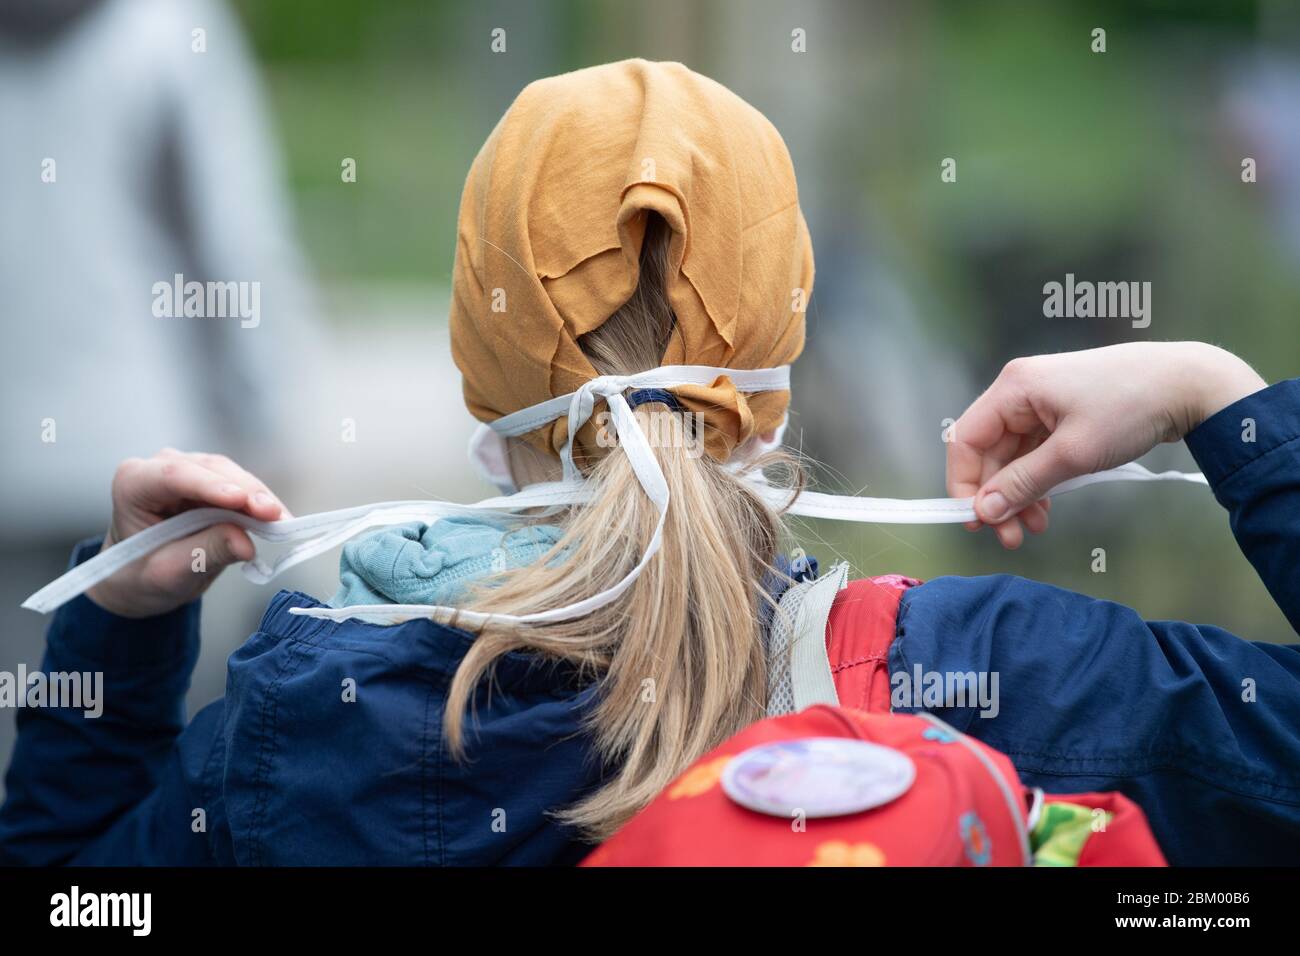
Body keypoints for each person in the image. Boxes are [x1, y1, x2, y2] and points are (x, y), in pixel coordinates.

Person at [1, 61, 1297, 866]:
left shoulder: (302, 738)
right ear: (777, 391)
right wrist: (1217, 397)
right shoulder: (1014, 681)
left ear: (478, 388)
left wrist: (119, 638)